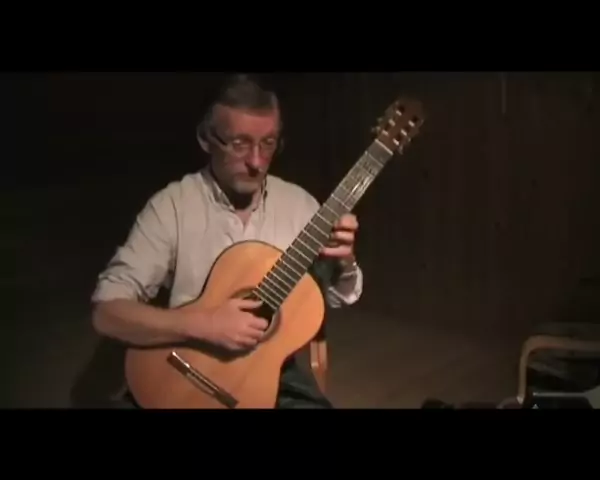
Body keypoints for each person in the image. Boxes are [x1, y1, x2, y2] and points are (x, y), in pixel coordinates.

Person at [90, 73, 364, 408]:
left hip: (271, 374)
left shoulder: (301, 207)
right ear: (206, 139)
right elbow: (107, 313)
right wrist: (204, 324)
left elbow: (338, 296)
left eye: (268, 143)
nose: (256, 162)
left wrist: (344, 262)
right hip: (187, 365)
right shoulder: (171, 206)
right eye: (239, 143)